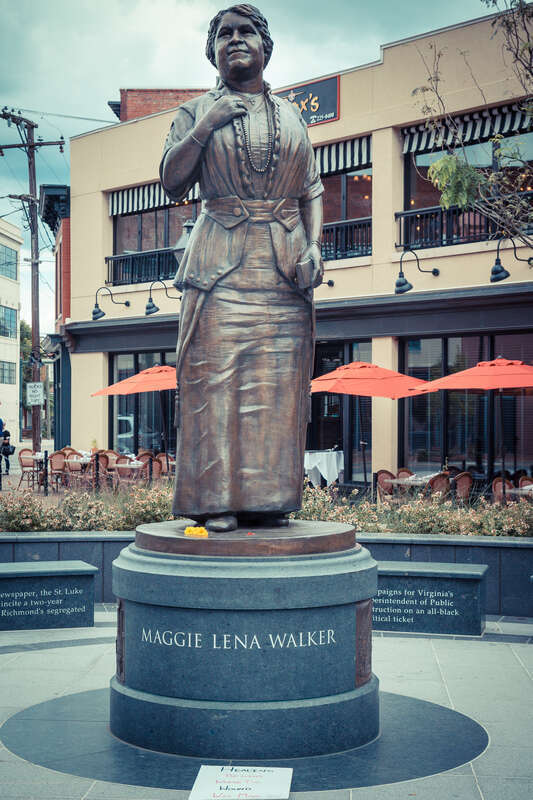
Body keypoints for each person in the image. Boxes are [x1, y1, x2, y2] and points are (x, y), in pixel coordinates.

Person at [160, 4, 323, 532]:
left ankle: (268, 498)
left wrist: (315, 247)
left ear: (265, 46)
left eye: (246, 31)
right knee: (213, 385)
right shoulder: (192, 111)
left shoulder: (294, 116)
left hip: (283, 268)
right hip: (221, 265)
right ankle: (213, 502)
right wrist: (206, 125)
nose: (235, 40)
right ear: (212, 51)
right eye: (224, 34)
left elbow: (311, 192)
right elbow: (171, 181)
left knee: (277, 387)